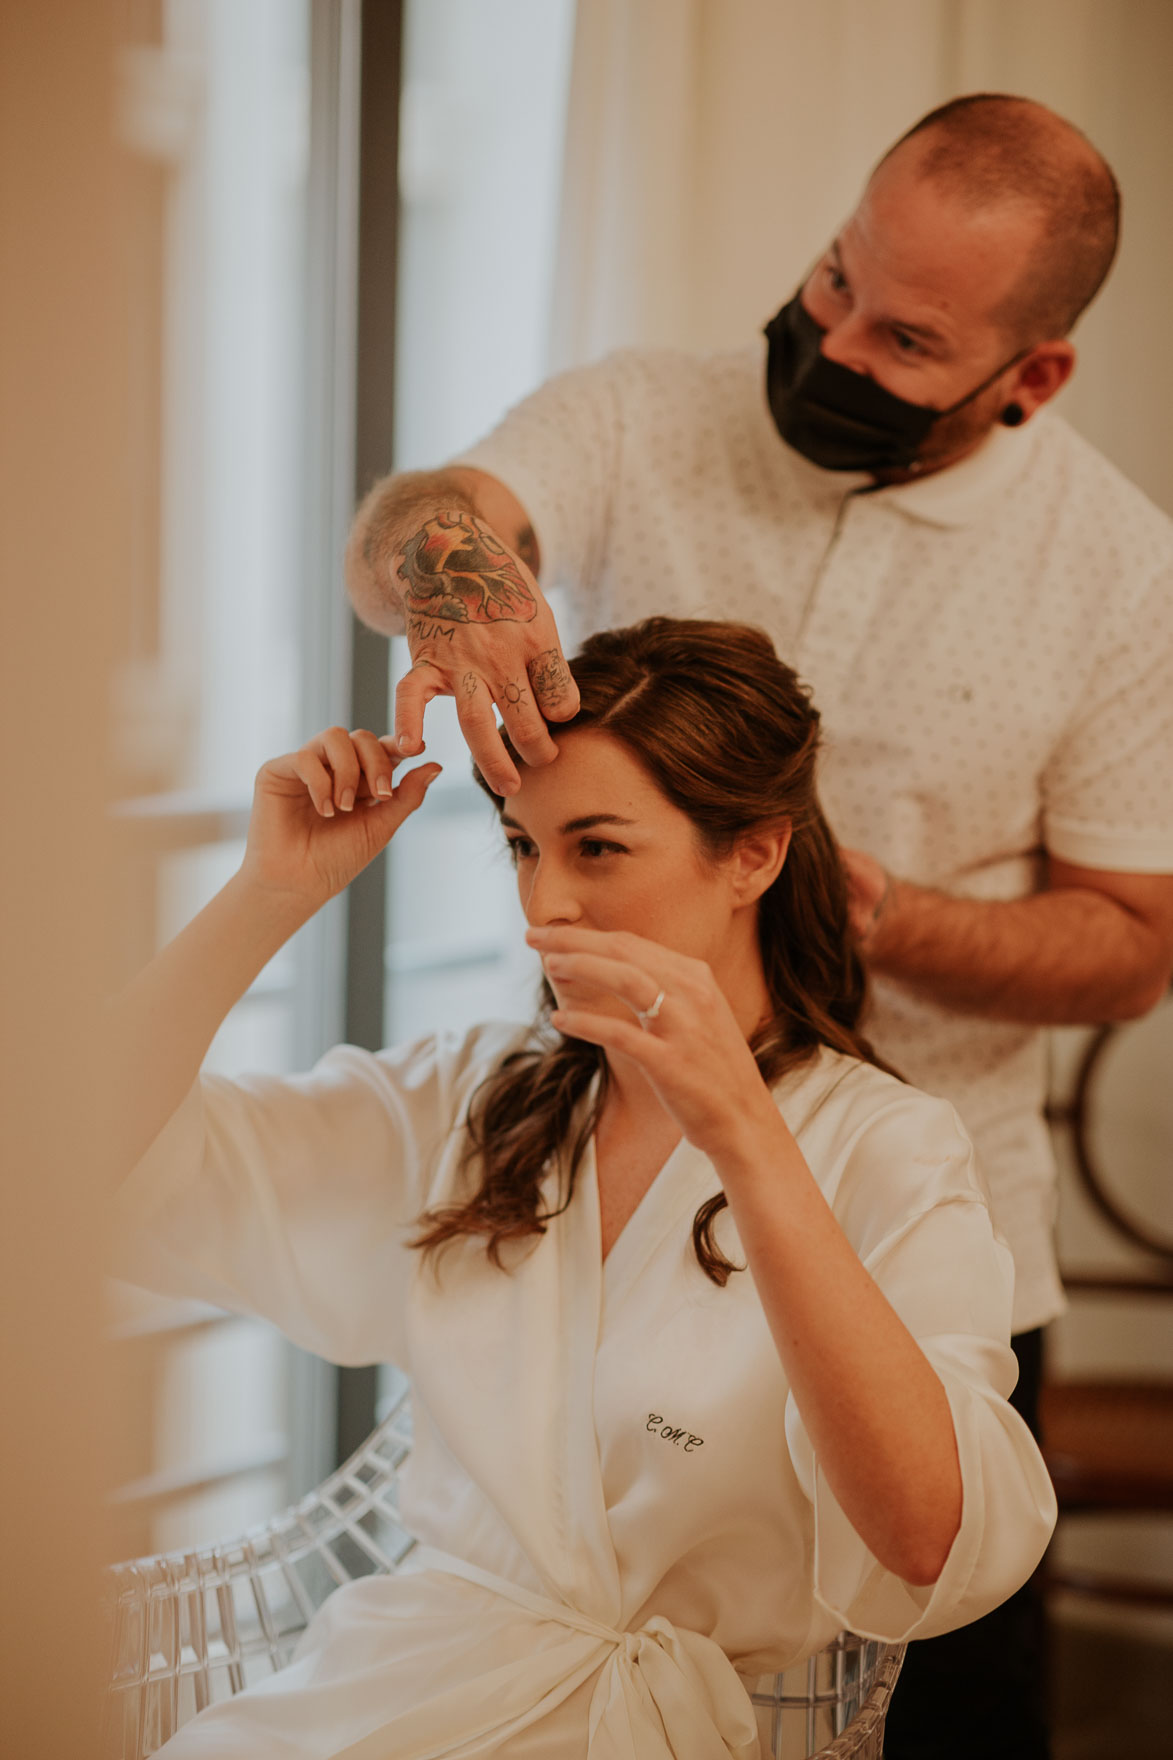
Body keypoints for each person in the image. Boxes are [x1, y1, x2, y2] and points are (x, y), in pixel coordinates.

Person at [344, 93, 1173, 1757]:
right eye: (830, 281)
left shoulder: (1116, 578)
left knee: (939, 1697)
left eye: (905, 335)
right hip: (619, 1192)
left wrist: (882, 919)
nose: (834, 339)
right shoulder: (644, 414)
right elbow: (412, 519)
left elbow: (1132, 943)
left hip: (927, 1227)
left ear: (1031, 374)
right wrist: (458, 578)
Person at [111, 619, 1055, 1759]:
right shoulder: (471, 1099)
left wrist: (747, 1139)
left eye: (597, 847)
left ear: (753, 853)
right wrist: (264, 896)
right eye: (520, 845)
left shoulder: (887, 1147)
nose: (542, 906)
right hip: (391, 1689)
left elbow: (927, 1535)